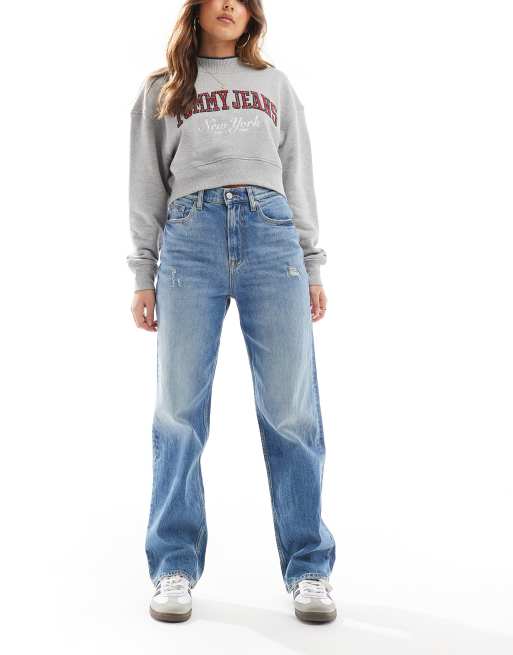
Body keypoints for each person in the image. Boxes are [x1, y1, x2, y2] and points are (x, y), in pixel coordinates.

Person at [127, 0, 337, 624]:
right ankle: (173, 565)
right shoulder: (163, 88)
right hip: (188, 242)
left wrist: (312, 263)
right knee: (178, 409)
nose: (228, 5)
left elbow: (297, 173)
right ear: (196, 10)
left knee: (292, 409)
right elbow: (145, 184)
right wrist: (143, 273)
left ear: (252, 15)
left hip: (273, 240)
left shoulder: (275, 85)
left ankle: (310, 568)